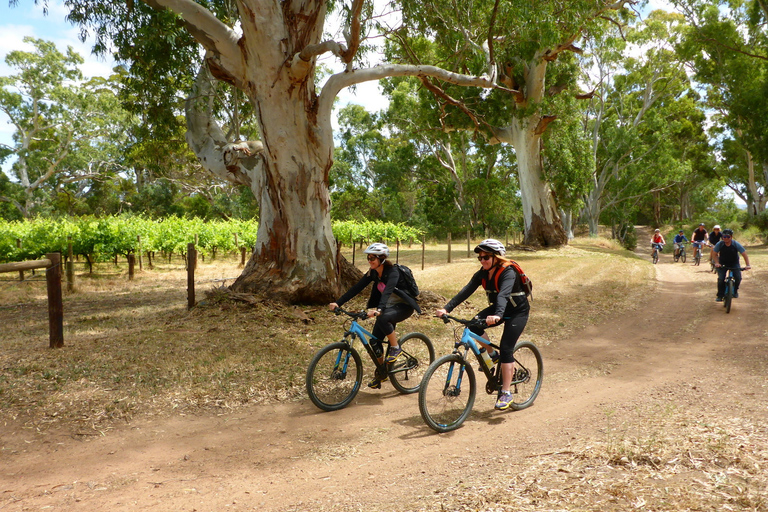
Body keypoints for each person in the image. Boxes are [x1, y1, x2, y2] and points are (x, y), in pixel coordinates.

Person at [435, 239, 529, 411]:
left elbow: (503, 295)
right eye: (480, 258)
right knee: (472, 327)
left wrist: (498, 315)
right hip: (497, 310)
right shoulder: (483, 273)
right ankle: (493, 356)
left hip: (517, 311)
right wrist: (446, 308)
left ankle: (506, 392)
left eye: (486, 257)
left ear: (496, 257)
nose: (482, 261)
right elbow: (466, 290)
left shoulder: (508, 272)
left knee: (507, 348)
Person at [329, 243, 421, 388]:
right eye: (368, 257)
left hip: (404, 306)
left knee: (383, 317)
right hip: (388, 308)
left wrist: (378, 310)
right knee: (374, 342)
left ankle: (396, 348)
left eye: (373, 258)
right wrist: (338, 303)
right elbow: (356, 288)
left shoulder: (393, 273)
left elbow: (387, 292)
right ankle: (382, 372)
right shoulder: (373, 272)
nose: (370, 260)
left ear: (382, 259)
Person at [713, 229, 751, 301]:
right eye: (724, 237)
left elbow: (744, 254)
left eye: (728, 237)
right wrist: (717, 263)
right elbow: (714, 254)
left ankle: (735, 291)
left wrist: (748, 264)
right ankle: (720, 295)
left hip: (734, 263)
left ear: (731, 237)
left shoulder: (735, 244)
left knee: (738, 278)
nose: (726, 238)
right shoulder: (720, 244)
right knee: (721, 279)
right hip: (722, 263)